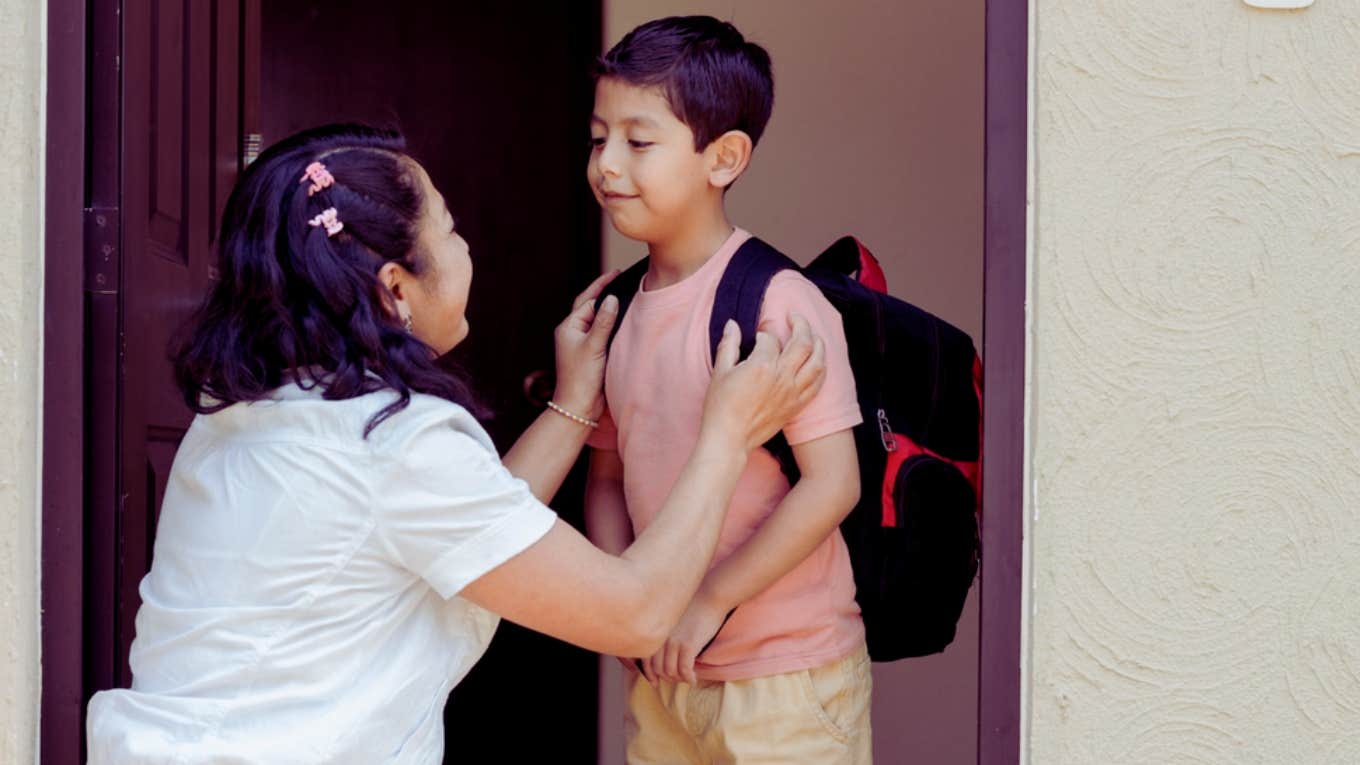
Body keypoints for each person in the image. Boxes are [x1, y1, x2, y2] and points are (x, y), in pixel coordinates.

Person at [84, 123, 826, 764]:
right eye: (451, 229)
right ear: (397, 288)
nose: (467, 249)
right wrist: (726, 434)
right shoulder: (391, 441)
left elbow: (474, 529)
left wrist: (572, 403)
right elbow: (632, 611)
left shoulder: (252, 411)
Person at [584, 16, 873, 764]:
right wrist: (628, 611)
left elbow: (833, 483)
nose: (607, 164)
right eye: (598, 137)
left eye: (638, 142)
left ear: (725, 158)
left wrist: (709, 600)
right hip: (665, 672)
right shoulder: (617, 310)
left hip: (787, 676)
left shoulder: (775, 301)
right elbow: (608, 476)